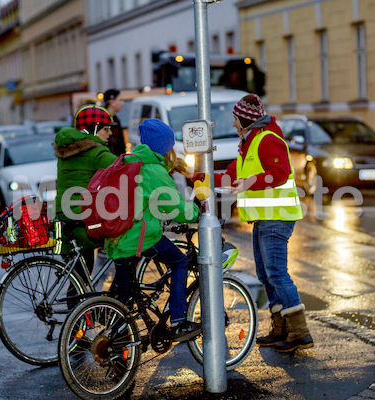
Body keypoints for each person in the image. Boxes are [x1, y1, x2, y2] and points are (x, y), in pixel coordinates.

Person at [196, 93, 313, 352]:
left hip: (277, 216)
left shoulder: (267, 139)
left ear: (246, 120)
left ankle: (300, 332)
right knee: (265, 274)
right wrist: (204, 177)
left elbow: (279, 173)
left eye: (236, 120)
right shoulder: (248, 142)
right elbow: (233, 174)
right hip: (265, 217)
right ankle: (281, 328)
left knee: (276, 273)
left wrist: (249, 183)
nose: (234, 124)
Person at [106, 118, 200, 343]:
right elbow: (179, 210)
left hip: (118, 238)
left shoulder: (132, 161)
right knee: (179, 262)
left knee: (126, 299)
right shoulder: (153, 172)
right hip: (137, 238)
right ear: (164, 148)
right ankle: (178, 321)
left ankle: (119, 350)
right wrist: (197, 211)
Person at [54, 105, 118, 285]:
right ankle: (98, 307)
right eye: (107, 128)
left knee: (78, 279)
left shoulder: (68, 149)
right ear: (95, 129)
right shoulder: (95, 152)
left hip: (64, 214)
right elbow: (125, 168)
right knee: (122, 248)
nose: (110, 133)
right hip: (81, 218)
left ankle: (83, 310)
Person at [103, 89, 127, 156]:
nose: (123, 103)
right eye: (120, 100)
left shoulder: (116, 120)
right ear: (112, 102)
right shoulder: (101, 120)